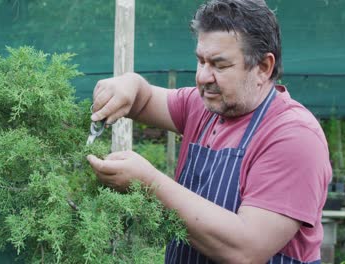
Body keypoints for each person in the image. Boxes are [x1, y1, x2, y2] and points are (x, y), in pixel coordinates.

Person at [87, 0, 331, 263]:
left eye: (219, 65)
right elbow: (143, 99)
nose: (203, 76)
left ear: (263, 67)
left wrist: (149, 183)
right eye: (200, 61)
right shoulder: (204, 107)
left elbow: (246, 249)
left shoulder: (294, 137)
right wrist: (129, 83)